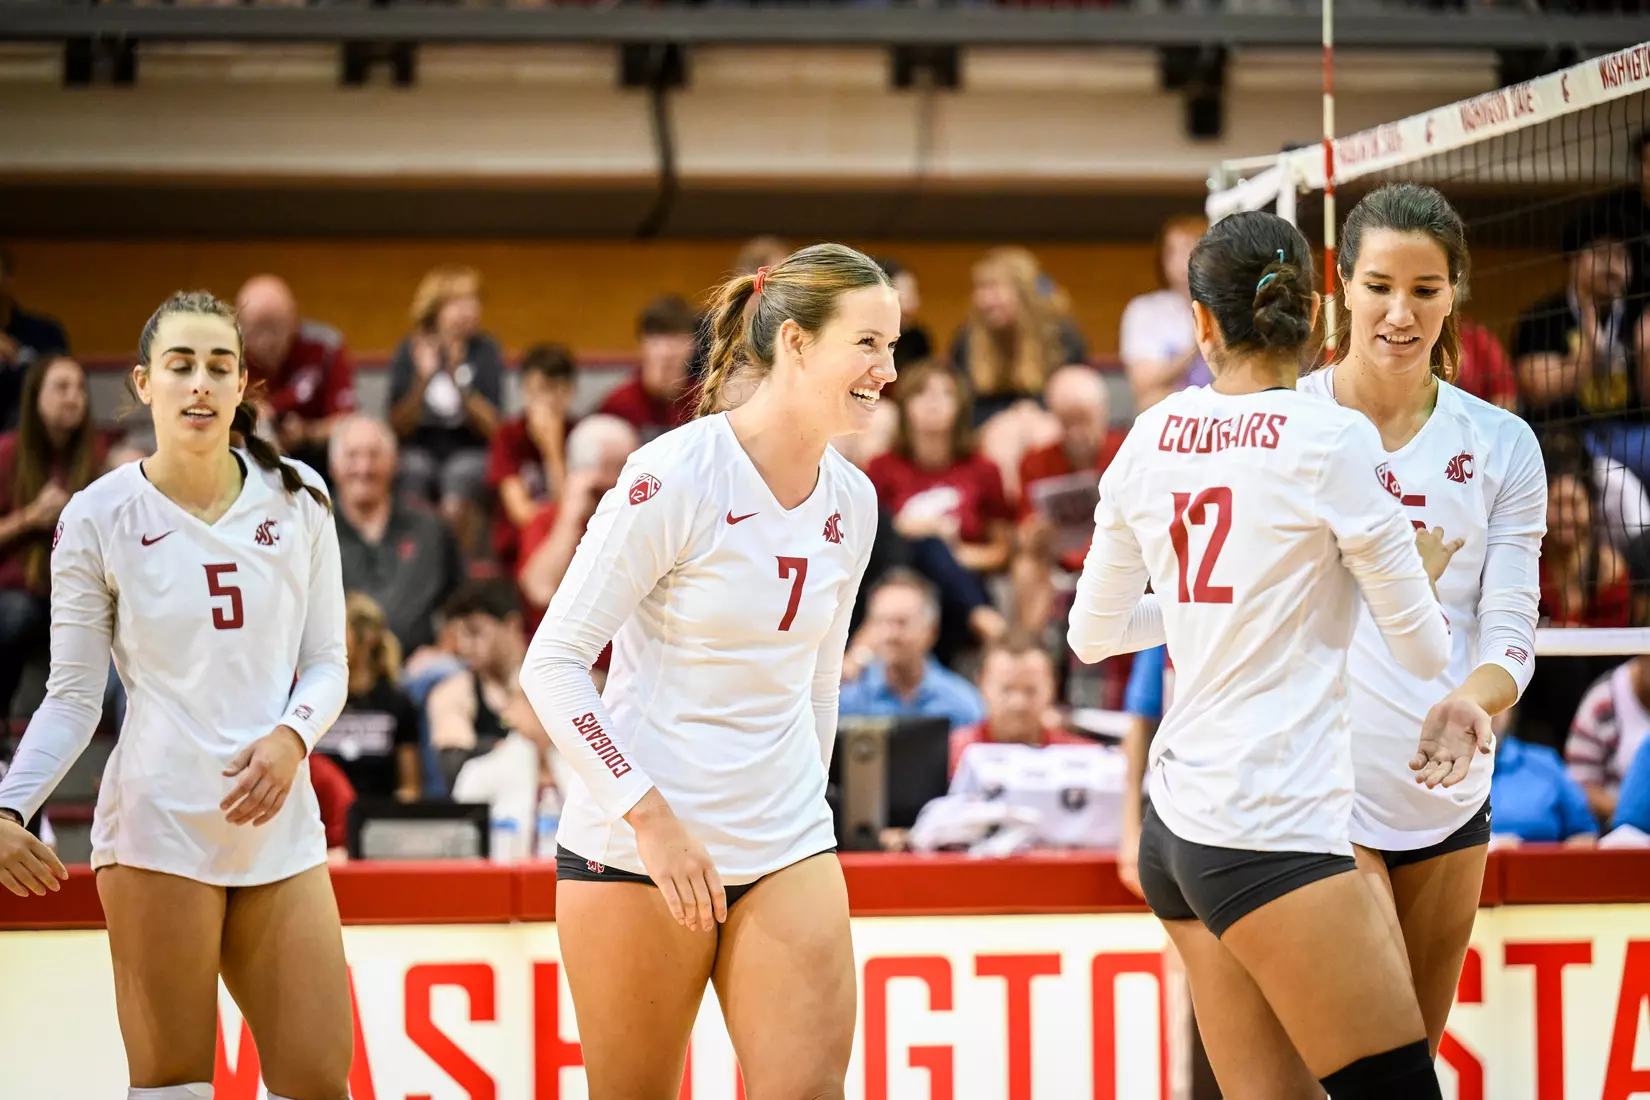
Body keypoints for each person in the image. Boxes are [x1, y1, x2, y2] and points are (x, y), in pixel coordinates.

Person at [1068, 211, 1465, 1100]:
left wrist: (1228, 604)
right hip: (1269, 825)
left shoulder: (1149, 435)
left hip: (1174, 828)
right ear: (1320, 315)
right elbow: (1422, 649)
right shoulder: (1332, 440)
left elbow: (1091, 635)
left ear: (1201, 324)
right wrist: (1417, 573)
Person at [519, 243, 893, 1100]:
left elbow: (818, 683)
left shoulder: (854, 499)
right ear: (796, 344)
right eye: (868, 344)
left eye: (894, 346)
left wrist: (806, 806)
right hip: (642, 850)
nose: (888, 369)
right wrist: (648, 817)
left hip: (787, 842)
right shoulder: (675, 472)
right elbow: (555, 663)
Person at [0, 290, 352, 1100]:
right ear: (143, 384)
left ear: (241, 389)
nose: (200, 383)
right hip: (158, 823)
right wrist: (10, 808)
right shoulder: (96, 516)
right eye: (181, 365)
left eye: (219, 367)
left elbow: (329, 660)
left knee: (318, 1080)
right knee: (174, 1086)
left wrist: (292, 736)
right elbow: (73, 696)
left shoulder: (301, 496)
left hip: (279, 825)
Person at [1297, 183, 1546, 1059]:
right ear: (1341, 287)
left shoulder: (1503, 445)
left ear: (1455, 294)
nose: (1400, 313)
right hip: (1322, 796)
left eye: (1425, 290)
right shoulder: (1289, 424)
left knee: (1410, 1057)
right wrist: (1388, 573)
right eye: (1378, 286)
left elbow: (1513, 624)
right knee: (1376, 1062)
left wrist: (1475, 700)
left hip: (1450, 789)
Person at [866, 360, 1012, 663]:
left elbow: (1001, 551)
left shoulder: (983, 469)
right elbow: (868, 536)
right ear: (905, 405)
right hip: (897, 583)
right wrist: (912, 530)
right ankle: (987, 623)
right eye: (922, 393)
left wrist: (954, 554)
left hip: (962, 586)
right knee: (926, 545)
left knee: (935, 551)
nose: (933, 403)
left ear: (960, 406)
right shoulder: (882, 467)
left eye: (945, 394)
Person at [0, 353, 104, 719]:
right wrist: (31, 518)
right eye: (61, 387)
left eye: (79, 388)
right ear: (35, 396)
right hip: (19, 595)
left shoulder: (95, 456)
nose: (73, 397)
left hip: (77, 598)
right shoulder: (6, 453)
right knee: (13, 613)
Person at [387, 264, 504, 546]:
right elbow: (396, 426)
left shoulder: (485, 350)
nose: (470, 311)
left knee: (460, 475)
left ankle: (452, 571)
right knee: (412, 470)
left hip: (470, 447)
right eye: (459, 303)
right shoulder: (410, 349)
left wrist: (458, 381)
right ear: (436, 309)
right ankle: (413, 563)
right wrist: (423, 380)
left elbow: (494, 427)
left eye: (473, 302)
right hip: (420, 445)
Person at [330, 414, 466, 654]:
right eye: (352, 456)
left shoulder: (430, 529)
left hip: (420, 673)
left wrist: (442, 651)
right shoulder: (311, 528)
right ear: (333, 466)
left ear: (393, 462)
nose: (364, 468)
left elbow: (462, 604)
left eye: (374, 455)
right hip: (337, 671)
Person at [516, 414, 639, 632]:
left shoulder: (640, 516)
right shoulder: (548, 520)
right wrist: (570, 517)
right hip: (570, 657)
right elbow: (540, 590)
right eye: (619, 466)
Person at [235, 274, 357, 474]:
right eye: (256, 329)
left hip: (314, 456)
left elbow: (347, 422)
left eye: (274, 328)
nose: (266, 341)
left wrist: (307, 432)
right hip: (245, 456)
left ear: (293, 321)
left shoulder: (325, 347)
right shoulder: (228, 352)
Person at [838, 568, 986, 732]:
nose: (890, 635)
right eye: (881, 622)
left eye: (901, 623)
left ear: (931, 631)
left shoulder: (963, 705)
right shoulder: (846, 700)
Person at [315, 592, 421, 804]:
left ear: (368, 637)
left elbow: (409, 788)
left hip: (376, 824)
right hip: (321, 824)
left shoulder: (397, 703)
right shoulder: (315, 698)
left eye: (337, 630)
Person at [488, 343, 577, 569]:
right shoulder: (508, 436)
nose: (546, 400)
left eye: (554, 389)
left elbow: (573, 512)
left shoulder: (580, 434)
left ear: (570, 393)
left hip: (570, 546)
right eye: (537, 390)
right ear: (524, 391)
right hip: (520, 547)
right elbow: (521, 513)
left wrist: (553, 450)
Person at [1120, 214, 1211, 412]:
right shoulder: (1144, 311)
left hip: (1224, 408)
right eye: (1171, 251)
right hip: (1172, 409)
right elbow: (1144, 386)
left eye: (1188, 249)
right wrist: (1196, 347)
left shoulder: (1231, 305)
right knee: (1153, 402)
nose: (1178, 261)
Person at [598, 295, 700, 441]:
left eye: (677, 340)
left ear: (693, 346)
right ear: (642, 345)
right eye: (657, 342)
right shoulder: (619, 405)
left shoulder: (705, 402)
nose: (667, 353)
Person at [1566, 656, 1650, 826]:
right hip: (1623, 828)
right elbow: (1577, 786)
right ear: (1642, 655)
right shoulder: (1603, 700)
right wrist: (1632, 812)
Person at [0, 246, 71, 434]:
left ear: (8, 279)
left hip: (32, 440)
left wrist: (17, 358)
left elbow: (63, 391)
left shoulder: (45, 334)